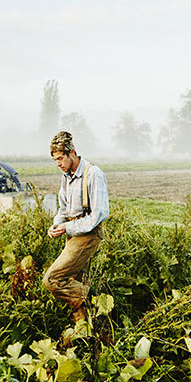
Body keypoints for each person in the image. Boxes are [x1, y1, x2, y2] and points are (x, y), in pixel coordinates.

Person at [43, 131, 109, 323]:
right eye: (55, 160)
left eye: (60, 159)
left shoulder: (93, 173)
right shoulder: (66, 176)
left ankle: (98, 302)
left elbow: (99, 214)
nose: (59, 164)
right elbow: (63, 208)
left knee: (53, 280)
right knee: (75, 281)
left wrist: (67, 228)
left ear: (72, 152)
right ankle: (87, 329)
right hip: (72, 232)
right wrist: (57, 225)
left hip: (88, 233)